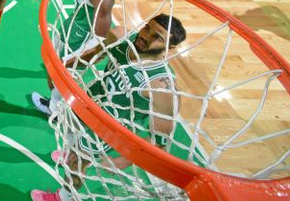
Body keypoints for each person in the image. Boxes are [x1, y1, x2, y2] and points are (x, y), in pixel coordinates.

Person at [30, 14, 187, 201]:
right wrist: (61, 69)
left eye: (157, 37)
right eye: (147, 28)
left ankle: (64, 196)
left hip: (108, 126)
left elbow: (161, 140)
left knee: (76, 162)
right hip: (92, 99)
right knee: (70, 127)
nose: (145, 36)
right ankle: (72, 152)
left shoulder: (161, 86)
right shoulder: (122, 36)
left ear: (171, 48)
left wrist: (124, 159)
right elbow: (93, 54)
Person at [30, 0, 113, 115]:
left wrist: (77, 58)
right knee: (56, 69)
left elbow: (100, 38)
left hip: (83, 39)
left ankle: (54, 109)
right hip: (72, 27)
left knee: (64, 75)